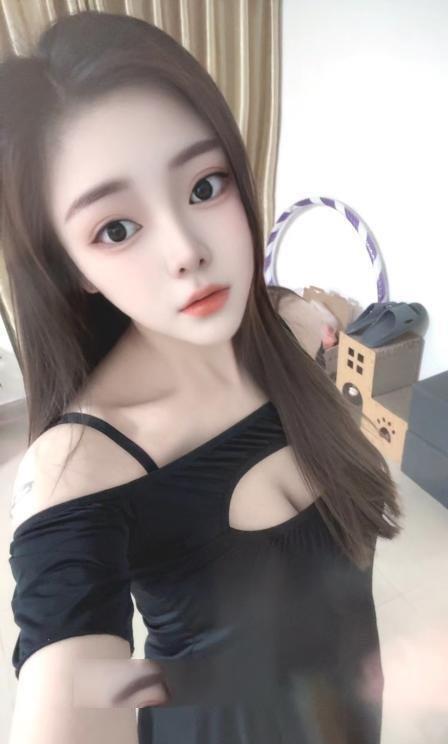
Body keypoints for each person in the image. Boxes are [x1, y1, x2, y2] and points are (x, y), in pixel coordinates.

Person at [1, 10, 403, 744]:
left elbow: (298, 310)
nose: (186, 249)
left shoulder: (284, 333)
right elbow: (66, 690)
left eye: (204, 186)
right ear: (71, 266)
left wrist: (307, 308)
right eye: (116, 228)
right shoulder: (78, 467)